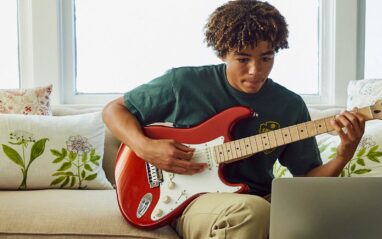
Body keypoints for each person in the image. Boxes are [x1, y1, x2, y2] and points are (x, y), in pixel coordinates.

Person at [102, 0, 365, 238]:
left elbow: (308, 181)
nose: (255, 71)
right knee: (252, 212)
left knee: (342, 212)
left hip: (260, 198)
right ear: (222, 53)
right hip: (192, 200)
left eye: (266, 58)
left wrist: (344, 154)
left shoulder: (289, 105)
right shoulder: (184, 83)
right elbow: (114, 110)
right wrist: (146, 147)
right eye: (242, 59)